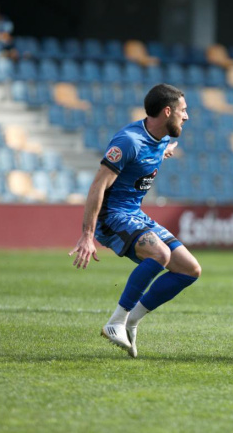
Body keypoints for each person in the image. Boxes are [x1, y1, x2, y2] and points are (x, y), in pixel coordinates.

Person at [69, 83, 200, 358]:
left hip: (135, 214)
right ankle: (115, 321)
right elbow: (97, 186)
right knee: (160, 254)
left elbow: (148, 154)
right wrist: (87, 235)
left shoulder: (161, 137)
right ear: (167, 112)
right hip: (112, 216)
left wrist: (163, 151)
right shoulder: (128, 141)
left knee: (190, 270)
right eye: (183, 110)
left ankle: (132, 320)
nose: (187, 116)